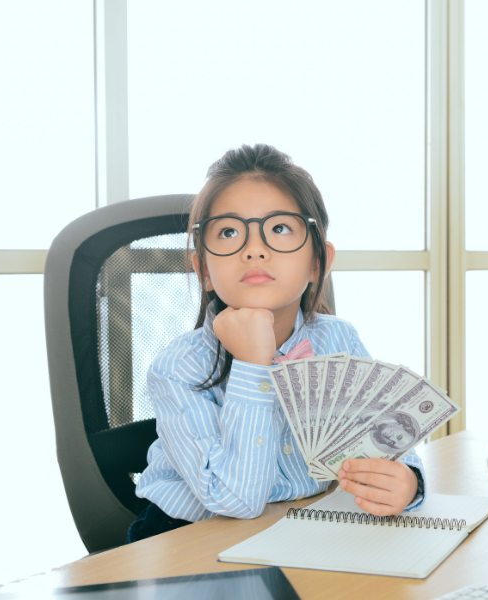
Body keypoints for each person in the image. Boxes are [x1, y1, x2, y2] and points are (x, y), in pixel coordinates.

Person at [128, 144, 425, 543]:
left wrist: (408, 483)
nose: (254, 249)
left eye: (280, 228)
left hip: (304, 526)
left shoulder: (338, 339)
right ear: (203, 269)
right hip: (189, 535)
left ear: (318, 262)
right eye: (230, 232)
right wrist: (253, 365)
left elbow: (388, 440)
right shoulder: (178, 368)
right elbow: (235, 500)